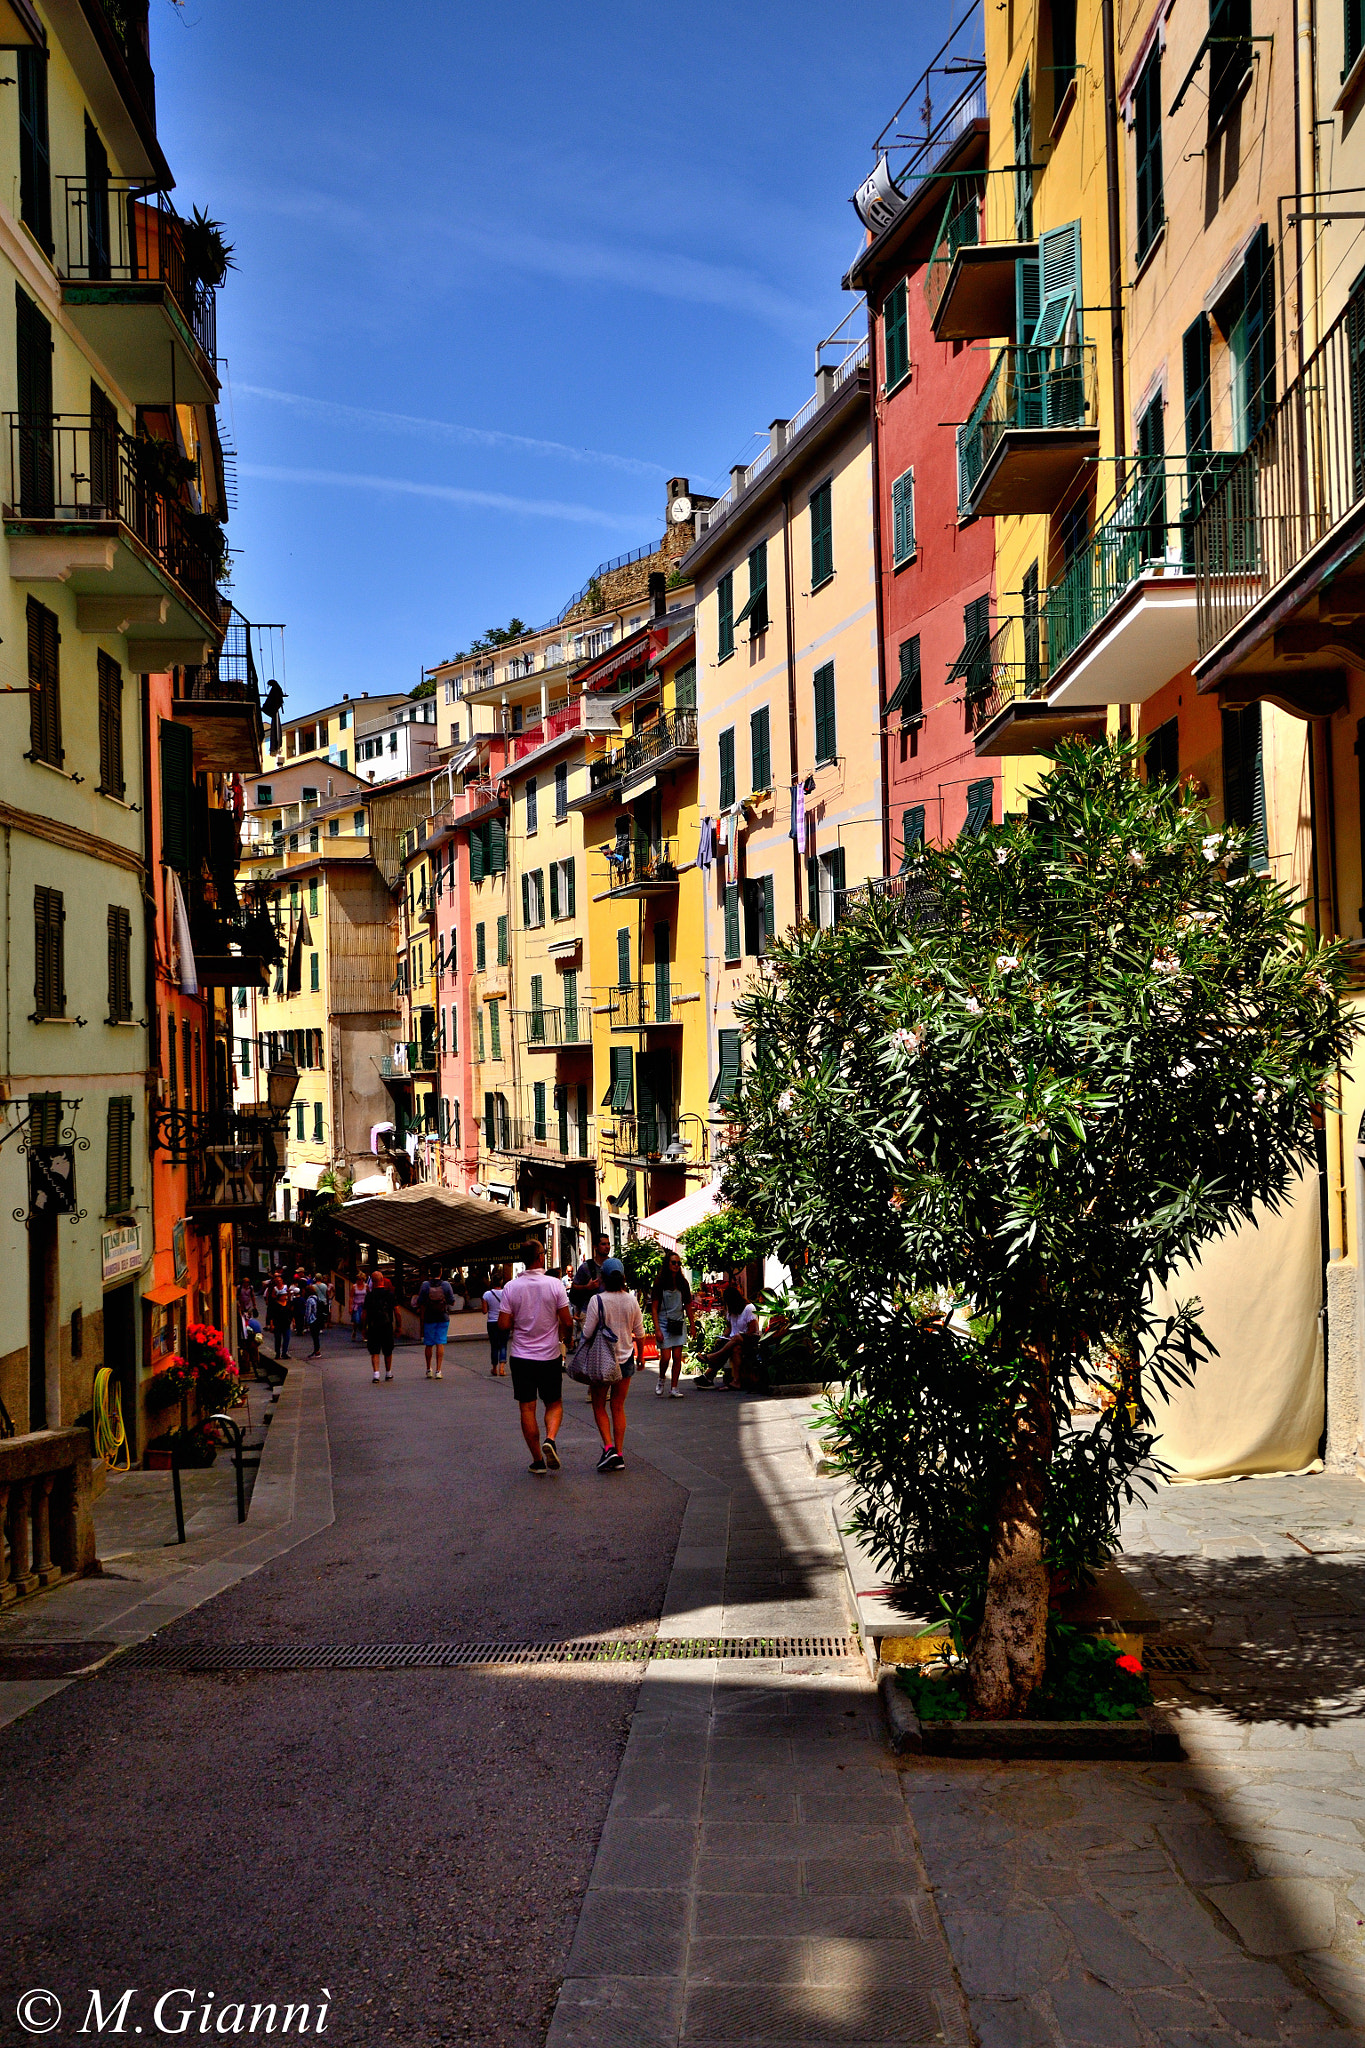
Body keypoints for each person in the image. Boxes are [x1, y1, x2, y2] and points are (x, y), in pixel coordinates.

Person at [498, 1241, 572, 1474]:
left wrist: (519, 1322)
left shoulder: (511, 1287)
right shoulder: (555, 1285)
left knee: (527, 1408)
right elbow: (567, 1320)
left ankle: (537, 1461)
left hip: (521, 1356)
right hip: (549, 1355)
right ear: (540, 1257)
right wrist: (565, 1338)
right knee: (554, 1403)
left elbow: (503, 1324)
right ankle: (550, 1439)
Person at [581, 1257, 645, 1471]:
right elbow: (640, 1333)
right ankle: (619, 1452)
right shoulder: (631, 1300)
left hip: (602, 1360)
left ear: (602, 1278)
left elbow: (587, 1333)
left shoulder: (597, 1301)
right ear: (623, 1277)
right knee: (618, 1406)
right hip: (626, 1359)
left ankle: (608, 1448)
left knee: (599, 1405)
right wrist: (642, 1356)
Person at [650, 1251, 694, 1399]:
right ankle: (661, 1379)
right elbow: (654, 1308)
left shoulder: (683, 1283)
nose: (676, 1265)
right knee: (666, 1356)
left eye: (678, 1263)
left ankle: (674, 1387)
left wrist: (692, 1325)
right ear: (667, 1264)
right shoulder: (659, 1282)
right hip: (663, 1321)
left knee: (677, 1356)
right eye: (673, 1262)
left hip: (678, 1321)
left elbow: (688, 1305)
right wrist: (657, 1328)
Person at [698, 1284, 759, 1391]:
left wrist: (734, 1338)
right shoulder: (731, 1311)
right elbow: (729, 1328)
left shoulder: (749, 1308)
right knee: (735, 1348)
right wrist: (723, 1336)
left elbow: (752, 1330)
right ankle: (735, 1381)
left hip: (749, 1339)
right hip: (734, 1342)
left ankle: (711, 1363)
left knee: (736, 1338)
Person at [415, 1262, 456, 1379]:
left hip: (429, 1317)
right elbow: (452, 1301)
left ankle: (428, 1369)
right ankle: (439, 1370)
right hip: (443, 1317)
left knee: (429, 1344)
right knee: (440, 1343)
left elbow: (420, 1301)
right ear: (441, 1272)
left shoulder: (425, 1285)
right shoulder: (446, 1285)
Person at [363, 1271, 397, 1382]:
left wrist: (364, 1328)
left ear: (372, 1282)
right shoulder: (390, 1295)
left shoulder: (369, 1296)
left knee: (374, 1351)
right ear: (382, 1279)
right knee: (388, 1350)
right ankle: (388, 1373)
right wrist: (399, 1326)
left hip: (373, 1326)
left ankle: (376, 1374)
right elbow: (397, 1311)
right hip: (387, 1326)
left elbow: (364, 1314)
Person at [483, 1267, 508, 1376]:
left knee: (494, 1345)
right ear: (502, 1282)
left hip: (492, 1322)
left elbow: (484, 1311)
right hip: (503, 1320)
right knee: (503, 1344)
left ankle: (494, 1368)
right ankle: (502, 1368)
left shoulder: (487, 1295)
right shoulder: (506, 1293)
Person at [266, 1272, 291, 1360]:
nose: (285, 1296)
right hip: (278, 1324)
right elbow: (272, 1314)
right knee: (278, 1339)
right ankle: (278, 1353)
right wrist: (271, 1324)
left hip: (286, 1323)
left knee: (287, 1338)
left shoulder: (287, 1303)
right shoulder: (275, 1304)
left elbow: (290, 1312)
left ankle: (284, 1352)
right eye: (283, 1295)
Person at [301, 1281, 321, 1358]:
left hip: (313, 1319)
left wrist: (306, 1321)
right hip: (318, 1318)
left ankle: (316, 1351)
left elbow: (308, 1312)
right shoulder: (317, 1298)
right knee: (316, 1336)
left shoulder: (309, 1300)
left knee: (314, 1336)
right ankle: (317, 1350)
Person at [350, 1272, 368, 1345]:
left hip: (364, 1305)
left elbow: (369, 1295)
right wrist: (350, 1307)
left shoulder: (366, 1286)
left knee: (364, 1321)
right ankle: (354, 1331)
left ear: (363, 1279)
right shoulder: (354, 1287)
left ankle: (364, 1334)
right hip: (356, 1305)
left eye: (360, 1279)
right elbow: (351, 1297)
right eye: (357, 1279)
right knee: (356, 1320)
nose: (359, 1281)